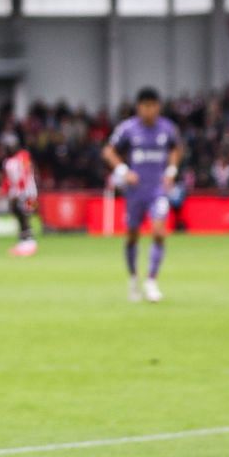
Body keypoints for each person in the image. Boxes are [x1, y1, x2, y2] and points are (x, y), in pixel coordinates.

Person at [102, 87, 183, 303]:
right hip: (135, 192)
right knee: (132, 236)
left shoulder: (167, 128)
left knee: (158, 232)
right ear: (139, 107)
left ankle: (151, 281)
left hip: (157, 190)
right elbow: (108, 151)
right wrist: (123, 171)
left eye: (153, 106)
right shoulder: (128, 129)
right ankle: (133, 279)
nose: (149, 110)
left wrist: (171, 171)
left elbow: (176, 149)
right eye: (145, 106)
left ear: (158, 106)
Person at [2, 138, 38, 257]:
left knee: (25, 214)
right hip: (16, 192)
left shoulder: (23, 156)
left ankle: (30, 243)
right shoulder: (7, 162)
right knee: (17, 214)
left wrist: (21, 191)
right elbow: (8, 179)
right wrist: (6, 191)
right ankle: (23, 241)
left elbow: (25, 172)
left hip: (28, 192)